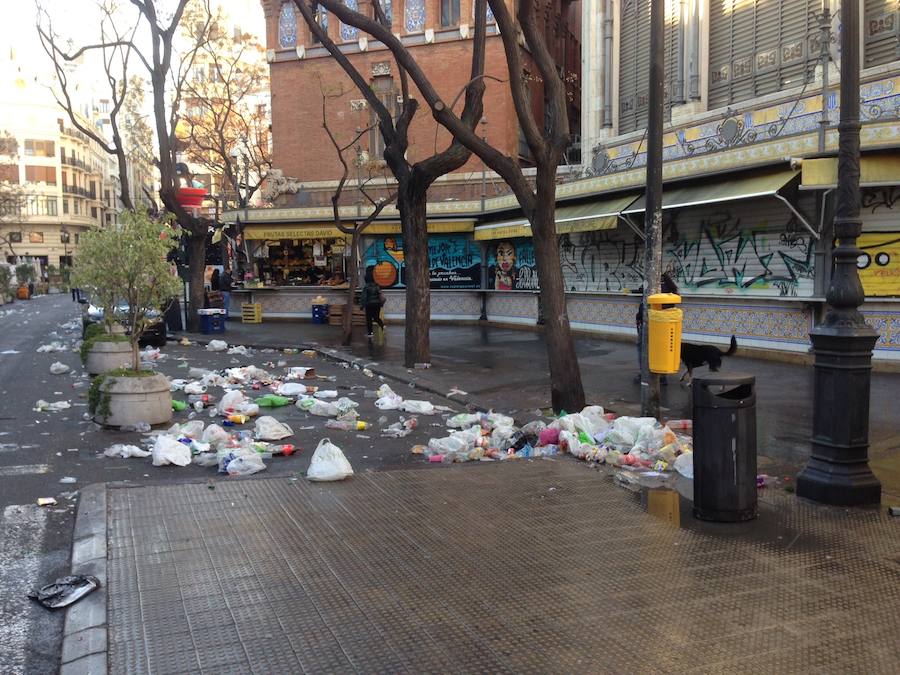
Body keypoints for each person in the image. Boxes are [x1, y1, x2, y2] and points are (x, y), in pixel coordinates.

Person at [635, 271, 678, 384]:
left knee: (643, 347)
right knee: (661, 349)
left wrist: (639, 318)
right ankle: (662, 375)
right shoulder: (670, 289)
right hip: (665, 325)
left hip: (651, 323)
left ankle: (644, 373)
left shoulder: (652, 290)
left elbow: (644, 305)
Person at [360, 266, 385, 338]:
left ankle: (370, 333)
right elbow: (380, 295)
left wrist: (362, 306)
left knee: (369, 319)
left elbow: (364, 297)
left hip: (369, 304)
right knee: (376, 318)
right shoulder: (377, 286)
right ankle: (382, 325)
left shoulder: (366, 287)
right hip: (377, 304)